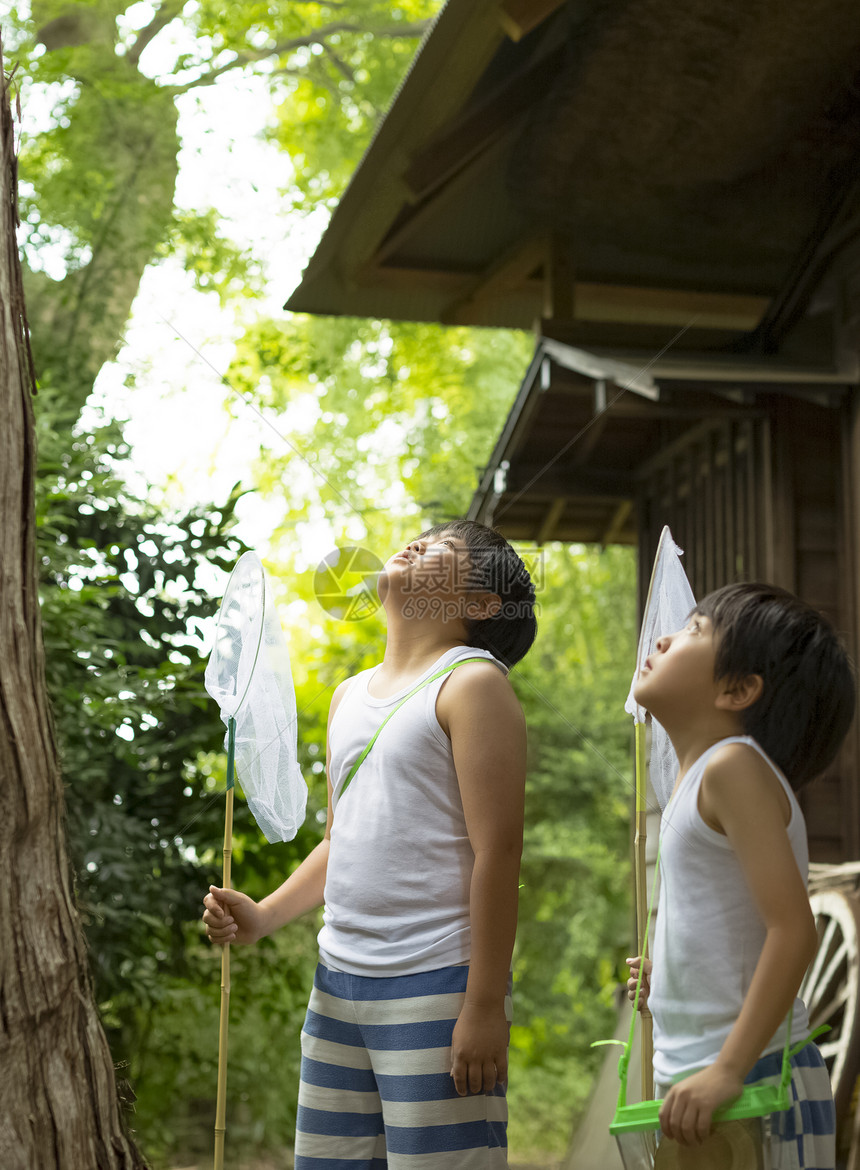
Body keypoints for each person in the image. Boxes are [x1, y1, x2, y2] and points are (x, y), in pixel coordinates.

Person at [203, 519, 537, 1168]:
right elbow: (342, 838)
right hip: (337, 980)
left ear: (479, 605)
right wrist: (266, 915)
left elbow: (499, 853)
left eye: (444, 547)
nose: (414, 542)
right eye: (419, 535)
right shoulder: (347, 696)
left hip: (438, 980)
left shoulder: (472, 684)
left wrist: (486, 1004)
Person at [626, 582, 855, 1167]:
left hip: (748, 1079)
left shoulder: (732, 768)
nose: (664, 636)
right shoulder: (699, 777)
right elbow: (734, 930)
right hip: (700, 1081)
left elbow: (793, 930)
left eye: (694, 631)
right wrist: (672, 980)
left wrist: (727, 1069)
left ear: (737, 689)